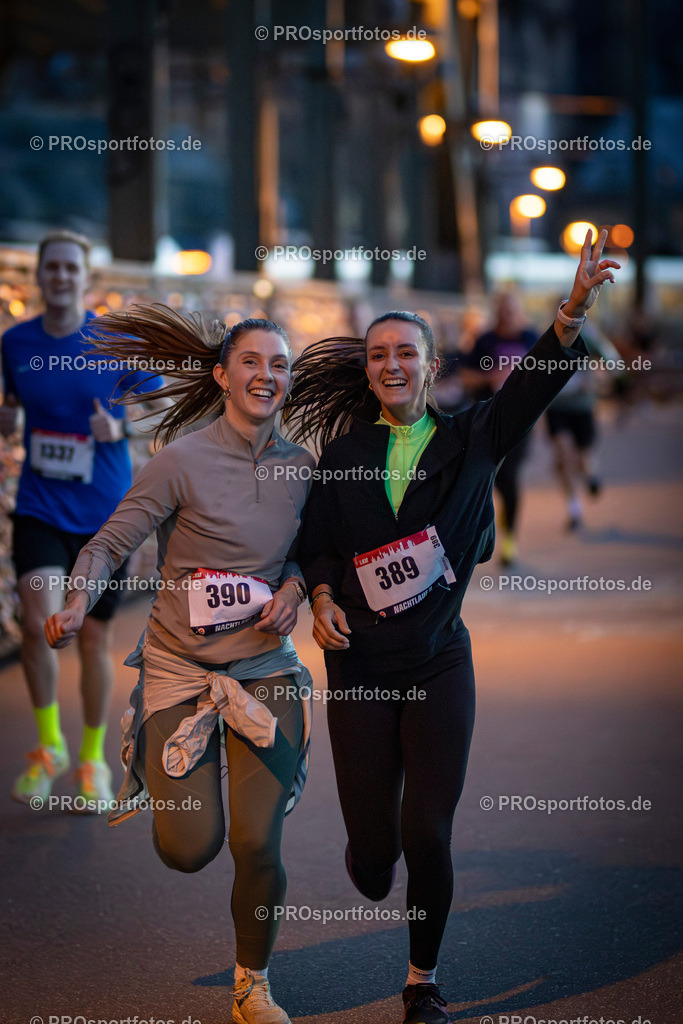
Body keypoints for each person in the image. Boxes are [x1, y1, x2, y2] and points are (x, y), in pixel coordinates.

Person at [284, 231, 619, 1024]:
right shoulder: (341, 453)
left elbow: (533, 385)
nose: (390, 365)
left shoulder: (472, 438)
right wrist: (324, 596)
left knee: (426, 830)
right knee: (374, 860)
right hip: (360, 665)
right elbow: (320, 545)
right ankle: (370, 854)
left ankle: (420, 981)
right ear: (366, 370)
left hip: (438, 664)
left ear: (432, 366)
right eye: (377, 355)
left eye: (405, 353)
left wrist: (569, 311)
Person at [44, 308, 315, 1024]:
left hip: (264, 672)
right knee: (189, 850)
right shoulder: (180, 460)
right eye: (251, 362)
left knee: (257, 840)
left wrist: (290, 590)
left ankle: (251, 984)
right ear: (223, 375)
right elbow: (106, 545)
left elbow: (307, 556)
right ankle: (148, 741)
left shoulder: (303, 467)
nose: (267, 375)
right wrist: (77, 605)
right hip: (178, 672)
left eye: (280, 364)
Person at [1, 230, 164, 808]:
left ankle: (92, 757)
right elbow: (10, 406)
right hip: (41, 506)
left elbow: (162, 411)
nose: (62, 277)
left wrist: (119, 428)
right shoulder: (15, 343)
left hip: (105, 516)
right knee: (38, 621)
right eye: (53, 268)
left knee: (93, 639)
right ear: (39, 276)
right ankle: (50, 748)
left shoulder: (113, 341)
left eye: (72, 268)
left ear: (85, 278)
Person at [457, 291, 538, 566]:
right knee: (484, 477)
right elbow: (466, 377)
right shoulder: (485, 340)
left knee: (509, 478)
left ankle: (509, 539)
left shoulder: (531, 338)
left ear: (520, 312)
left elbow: (547, 378)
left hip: (521, 422)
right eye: (503, 311)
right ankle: (478, 540)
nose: (508, 316)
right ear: (497, 312)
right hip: (487, 420)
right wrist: (491, 376)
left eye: (512, 311)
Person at [545, 321, 621, 529]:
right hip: (557, 407)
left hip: (582, 407)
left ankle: (590, 478)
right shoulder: (548, 336)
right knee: (563, 455)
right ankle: (574, 509)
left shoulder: (588, 334)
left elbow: (613, 361)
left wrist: (599, 380)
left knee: (581, 459)